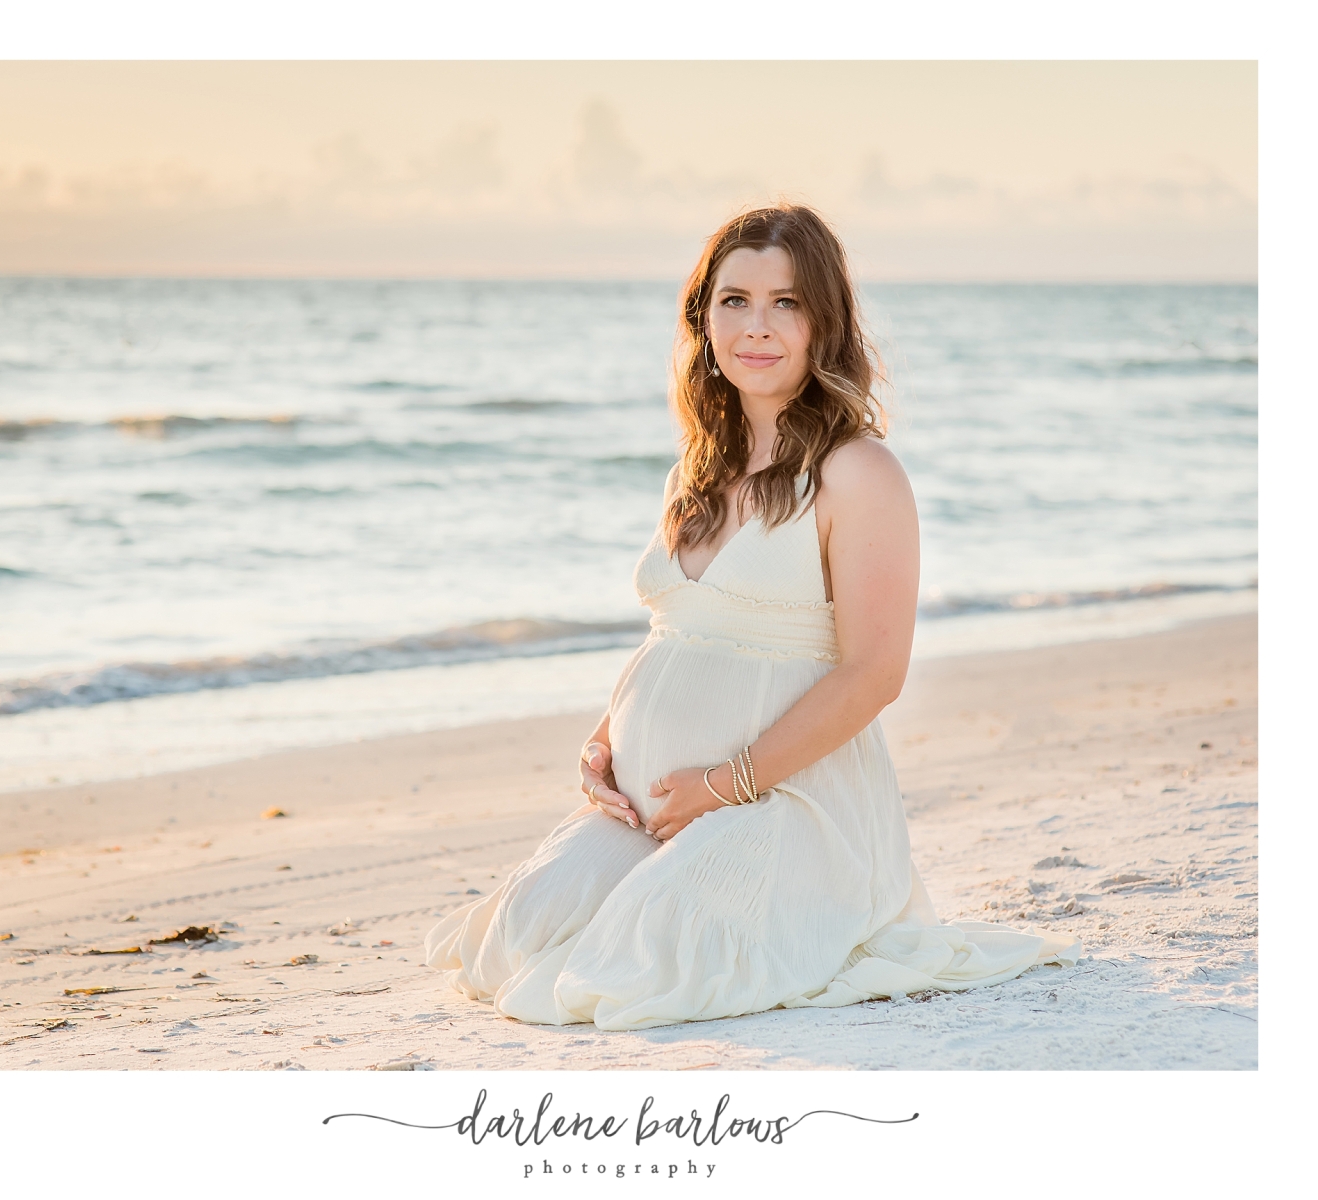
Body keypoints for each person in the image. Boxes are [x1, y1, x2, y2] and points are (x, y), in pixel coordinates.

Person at [426, 204, 1079, 1030]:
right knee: (512, 941)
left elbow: (874, 674)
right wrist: (605, 743)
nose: (757, 326)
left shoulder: (858, 472)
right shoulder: (697, 471)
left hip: (789, 806)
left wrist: (722, 785)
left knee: (637, 966)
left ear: (824, 324)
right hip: (658, 806)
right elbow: (682, 632)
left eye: (787, 302)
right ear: (703, 320)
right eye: (734, 300)